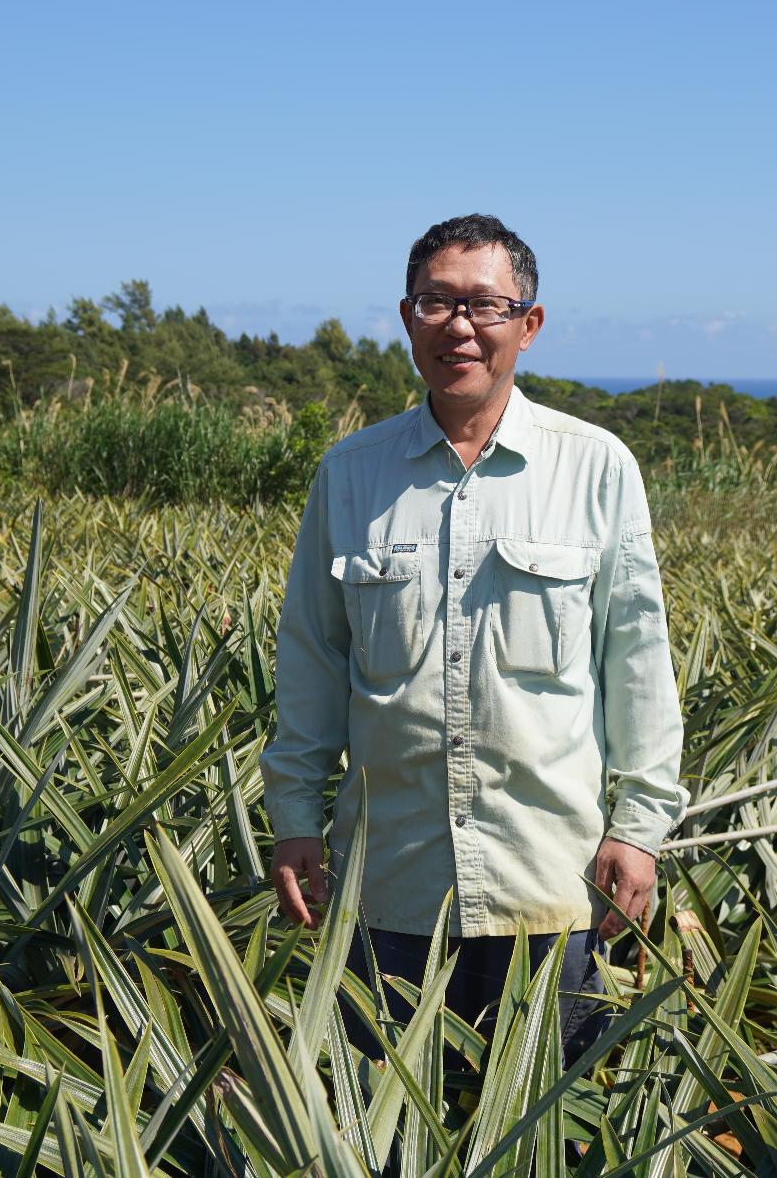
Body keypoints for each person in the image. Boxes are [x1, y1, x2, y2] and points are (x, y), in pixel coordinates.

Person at [258, 213, 688, 1066]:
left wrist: (640, 826)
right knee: (377, 1136)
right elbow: (312, 656)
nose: (460, 325)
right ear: (407, 316)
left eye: (485, 305)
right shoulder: (349, 473)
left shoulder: (596, 466)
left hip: (549, 886)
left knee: (542, 1134)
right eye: (436, 302)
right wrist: (295, 819)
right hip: (386, 888)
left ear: (527, 324)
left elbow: (636, 657)